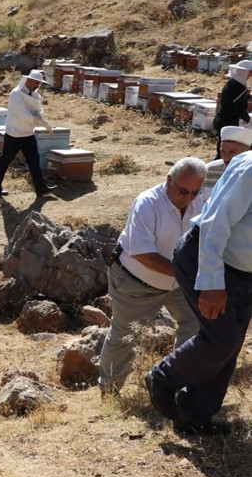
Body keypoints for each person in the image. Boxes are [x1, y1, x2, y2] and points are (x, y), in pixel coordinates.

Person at [146, 151, 252, 435]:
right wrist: (211, 283)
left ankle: (193, 417)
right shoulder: (250, 169)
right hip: (205, 259)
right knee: (221, 338)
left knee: (229, 346)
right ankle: (163, 377)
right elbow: (215, 225)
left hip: (244, 272)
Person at [98, 157, 207, 395]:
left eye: (195, 192)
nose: (189, 198)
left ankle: (178, 384)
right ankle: (109, 393)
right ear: (169, 180)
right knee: (125, 337)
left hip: (180, 284)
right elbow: (142, 253)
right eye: (183, 191)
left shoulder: (201, 201)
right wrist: (187, 274)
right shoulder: (147, 203)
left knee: (197, 325)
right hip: (136, 284)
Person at [0, 70, 57, 197]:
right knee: (5, 161)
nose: (38, 85)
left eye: (39, 83)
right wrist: (39, 121)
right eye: (37, 82)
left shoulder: (33, 94)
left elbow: (37, 110)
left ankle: (41, 189)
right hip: (14, 134)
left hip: (28, 134)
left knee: (34, 161)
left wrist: (42, 120)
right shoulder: (16, 94)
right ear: (30, 80)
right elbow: (23, 114)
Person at [212, 60, 252, 160]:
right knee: (226, 151)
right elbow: (239, 109)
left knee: (223, 149)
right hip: (228, 121)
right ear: (246, 72)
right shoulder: (238, 87)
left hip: (222, 119)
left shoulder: (232, 83)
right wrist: (248, 120)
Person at [200, 126, 251, 200]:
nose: (226, 157)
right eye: (223, 151)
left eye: (232, 152)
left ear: (247, 151)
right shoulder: (208, 171)